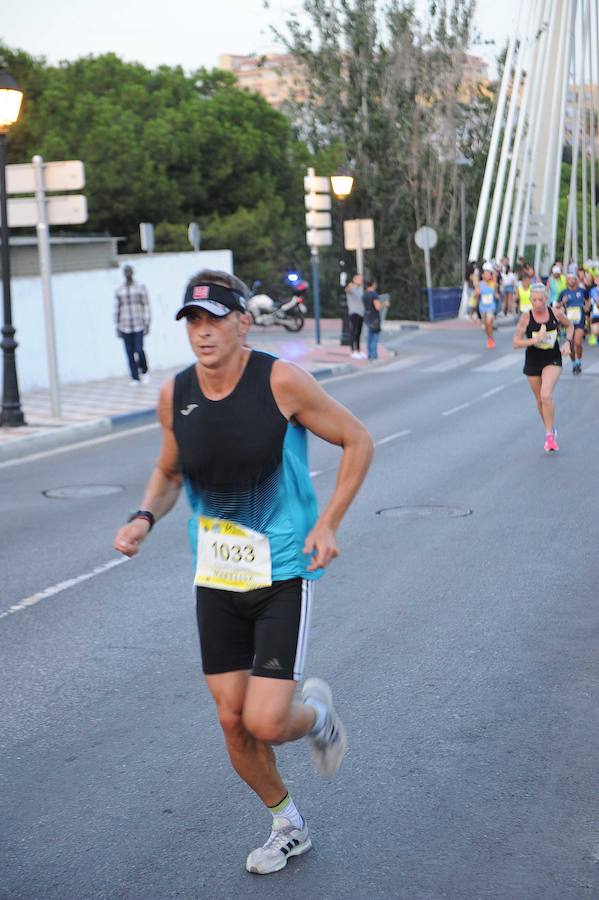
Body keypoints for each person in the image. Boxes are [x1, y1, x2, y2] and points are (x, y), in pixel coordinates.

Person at [112, 270, 373, 876]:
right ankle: (288, 824)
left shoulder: (280, 381)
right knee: (232, 717)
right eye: (193, 321)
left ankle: (317, 717)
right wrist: (144, 515)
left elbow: (358, 441)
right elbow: (171, 471)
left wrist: (329, 521)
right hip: (218, 577)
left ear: (242, 322)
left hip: (283, 572)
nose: (203, 332)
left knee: (267, 720)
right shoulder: (175, 394)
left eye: (215, 319)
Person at [513, 282, 574, 452]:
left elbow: (570, 326)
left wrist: (567, 343)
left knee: (546, 395)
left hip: (552, 359)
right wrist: (535, 340)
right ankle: (550, 426)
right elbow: (516, 342)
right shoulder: (526, 317)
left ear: (547, 298)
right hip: (532, 360)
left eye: (541, 300)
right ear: (530, 300)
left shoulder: (556, 313)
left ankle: (549, 437)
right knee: (540, 400)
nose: (538, 304)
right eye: (534, 300)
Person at [115, 265, 151, 385]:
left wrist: (147, 322)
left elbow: (146, 305)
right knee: (129, 353)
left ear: (133, 272)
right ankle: (135, 377)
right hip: (125, 325)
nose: (128, 273)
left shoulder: (140, 287)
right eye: (126, 272)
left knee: (139, 349)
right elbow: (117, 308)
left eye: (129, 271)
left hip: (138, 324)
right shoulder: (120, 289)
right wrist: (117, 325)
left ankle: (144, 371)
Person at [555, 270, 589, 374]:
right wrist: (562, 303)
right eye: (569, 279)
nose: (572, 281)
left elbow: (588, 300)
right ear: (567, 280)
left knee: (578, 343)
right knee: (571, 344)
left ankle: (579, 361)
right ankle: (574, 363)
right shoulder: (563, 292)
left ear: (576, 280)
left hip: (580, 321)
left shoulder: (582, 291)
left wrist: (587, 307)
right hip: (569, 323)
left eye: (574, 278)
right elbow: (556, 306)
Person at [473, 262, 498, 348]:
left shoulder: (493, 284)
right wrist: (476, 293)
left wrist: (496, 295)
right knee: (485, 326)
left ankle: (491, 339)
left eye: (489, 274)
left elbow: (496, 294)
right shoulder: (480, 284)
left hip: (491, 307)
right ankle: (490, 337)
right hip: (482, 308)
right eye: (486, 274)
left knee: (489, 321)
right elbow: (475, 295)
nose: (488, 275)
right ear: (483, 275)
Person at [345, 274, 365, 358]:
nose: (360, 280)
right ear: (354, 279)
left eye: (361, 278)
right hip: (354, 312)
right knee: (353, 331)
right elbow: (347, 290)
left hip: (361, 313)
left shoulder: (361, 289)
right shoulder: (351, 287)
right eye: (359, 278)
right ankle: (353, 351)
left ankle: (358, 350)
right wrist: (350, 285)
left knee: (359, 333)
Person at [363, 278, 382, 360]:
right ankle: (374, 354)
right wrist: (384, 304)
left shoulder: (364, 294)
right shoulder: (374, 294)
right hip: (374, 317)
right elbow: (377, 307)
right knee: (375, 336)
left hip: (367, 317)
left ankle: (369, 353)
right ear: (373, 284)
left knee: (369, 336)